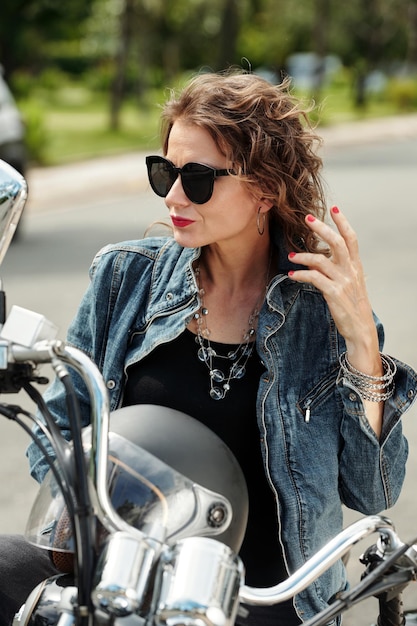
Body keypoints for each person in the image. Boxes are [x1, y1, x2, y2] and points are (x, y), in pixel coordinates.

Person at [1, 69, 416, 626]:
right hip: (127, 579)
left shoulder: (326, 315)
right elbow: (52, 441)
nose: (174, 194)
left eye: (197, 178)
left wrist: (362, 340)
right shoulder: (126, 278)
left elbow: (374, 490)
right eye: (165, 172)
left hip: (269, 599)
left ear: (266, 188)